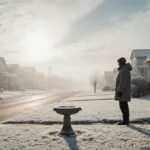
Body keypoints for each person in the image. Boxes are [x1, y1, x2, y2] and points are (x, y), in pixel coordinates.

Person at [115, 57, 132, 125]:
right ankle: (125, 120)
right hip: (124, 92)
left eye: (118, 63)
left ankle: (125, 121)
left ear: (121, 63)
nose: (118, 64)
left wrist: (120, 91)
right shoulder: (124, 69)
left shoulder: (124, 70)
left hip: (123, 92)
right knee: (124, 106)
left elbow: (122, 82)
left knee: (123, 106)